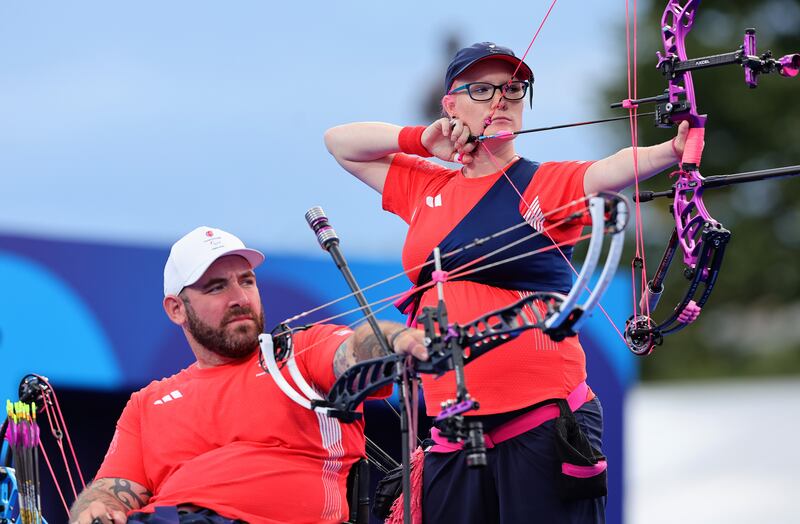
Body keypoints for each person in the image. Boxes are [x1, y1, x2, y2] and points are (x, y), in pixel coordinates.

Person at [324, 42, 691, 523]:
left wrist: (675, 148)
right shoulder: (425, 186)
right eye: (481, 89)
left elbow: (611, 169)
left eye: (514, 89)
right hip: (453, 436)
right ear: (450, 105)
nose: (501, 100)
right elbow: (340, 142)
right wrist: (421, 140)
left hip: (541, 429)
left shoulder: (545, 184)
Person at [69, 226, 427, 524]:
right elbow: (109, 490)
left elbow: (355, 350)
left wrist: (398, 339)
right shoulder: (146, 404)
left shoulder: (296, 354)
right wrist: (95, 510)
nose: (240, 297)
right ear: (176, 309)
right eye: (217, 287)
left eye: (247, 281)